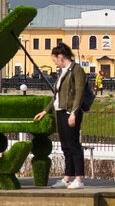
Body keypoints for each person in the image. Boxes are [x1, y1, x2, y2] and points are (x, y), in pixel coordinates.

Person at [33, 41, 87, 189]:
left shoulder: (76, 70)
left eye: (55, 60)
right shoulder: (63, 72)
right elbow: (56, 95)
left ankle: (79, 179)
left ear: (61, 56)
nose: (55, 63)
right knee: (65, 146)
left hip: (70, 113)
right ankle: (66, 178)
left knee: (74, 145)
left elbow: (79, 93)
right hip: (60, 112)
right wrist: (46, 110)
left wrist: (74, 113)